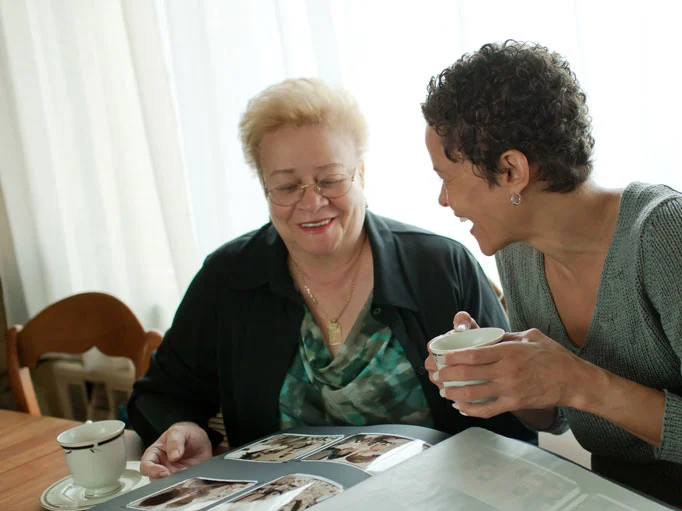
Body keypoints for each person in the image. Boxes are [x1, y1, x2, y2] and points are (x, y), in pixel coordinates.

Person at [421, 41, 682, 511]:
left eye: (446, 177)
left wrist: (579, 381)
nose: (443, 200)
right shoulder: (518, 250)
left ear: (511, 170)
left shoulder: (675, 237)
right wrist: (506, 375)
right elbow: (555, 416)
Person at [132, 77, 533, 480]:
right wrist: (185, 429)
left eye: (330, 179)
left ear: (361, 173)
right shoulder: (230, 276)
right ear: (265, 188)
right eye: (287, 186)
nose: (311, 202)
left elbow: (510, 424)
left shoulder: (441, 266)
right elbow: (160, 395)